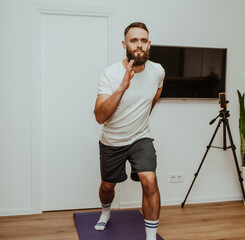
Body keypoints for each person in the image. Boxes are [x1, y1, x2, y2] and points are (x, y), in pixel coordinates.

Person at [93, 22, 165, 240]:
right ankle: (106, 212)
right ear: (125, 44)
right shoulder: (111, 74)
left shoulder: (157, 71)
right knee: (107, 186)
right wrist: (122, 88)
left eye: (143, 40)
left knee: (149, 179)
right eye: (134, 41)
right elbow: (99, 116)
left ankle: (150, 237)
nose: (139, 45)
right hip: (112, 141)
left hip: (140, 138)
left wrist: (140, 119)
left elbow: (154, 97)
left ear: (149, 44)